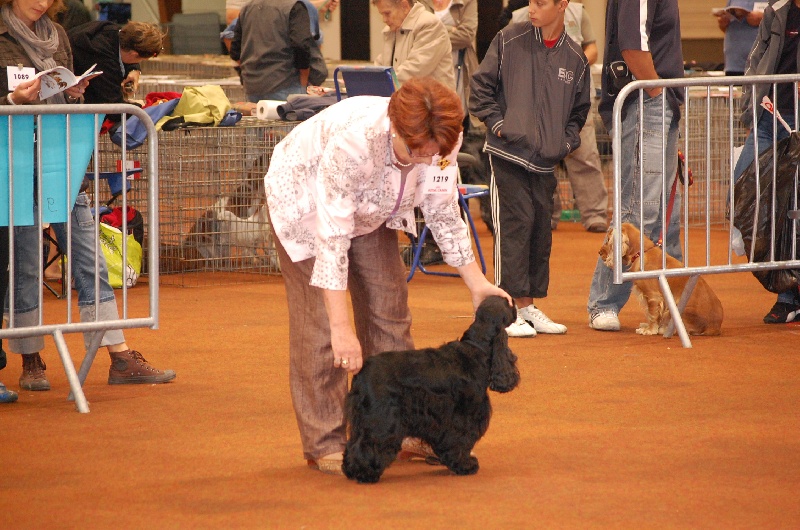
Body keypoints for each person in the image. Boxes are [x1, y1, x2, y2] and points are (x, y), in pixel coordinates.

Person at [265, 77, 511, 475]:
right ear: (395, 130)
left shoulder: (444, 137)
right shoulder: (355, 143)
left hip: (377, 205)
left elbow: (444, 210)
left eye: (433, 153)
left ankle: (406, 427)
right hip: (308, 205)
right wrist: (342, 327)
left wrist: (476, 281)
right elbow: (332, 238)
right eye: (415, 151)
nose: (424, 159)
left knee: (390, 308)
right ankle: (325, 440)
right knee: (323, 328)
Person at [0, 0, 176, 391]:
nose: (41, 2)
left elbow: (60, 96)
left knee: (89, 258)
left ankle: (119, 353)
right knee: (26, 262)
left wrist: (76, 93)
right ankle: (31, 357)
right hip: (13, 162)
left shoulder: (58, 35)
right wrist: (13, 102)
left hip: (63, 158)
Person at [470, 0, 591, 338]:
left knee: (539, 230)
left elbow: (578, 114)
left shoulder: (576, 58)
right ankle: (506, 309)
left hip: (545, 162)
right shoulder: (509, 38)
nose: (531, 8)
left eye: (540, 2)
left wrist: (563, 145)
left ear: (562, 5)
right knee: (514, 226)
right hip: (506, 154)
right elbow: (480, 89)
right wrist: (498, 125)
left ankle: (527, 306)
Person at [586, 0, 684, 331]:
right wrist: (655, 89)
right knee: (638, 209)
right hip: (648, 100)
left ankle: (673, 300)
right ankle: (605, 301)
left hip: (657, 101)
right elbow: (632, 45)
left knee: (664, 211)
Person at [510, 1, 608, 233]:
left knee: (585, 155)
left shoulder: (578, 13)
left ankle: (595, 214)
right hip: (537, 103)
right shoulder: (518, 18)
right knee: (541, 158)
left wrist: (570, 65)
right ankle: (546, 215)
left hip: (575, 98)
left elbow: (592, 48)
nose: (535, 6)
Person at [732, 0, 800, 323]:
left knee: (793, 209)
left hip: (797, 125)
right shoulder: (777, 11)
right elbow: (755, 60)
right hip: (770, 120)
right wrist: (751, 106)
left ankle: (790, 297)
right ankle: (781, 283)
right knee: (744, 181)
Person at [230, 0, 327, 102]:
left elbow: (235, 50)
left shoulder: (247, 8)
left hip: (252, 88)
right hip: (286, 84)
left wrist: (248, 75)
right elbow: (301, 46)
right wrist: (304, 78)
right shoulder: (294, 7)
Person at [68, 20, 164, 114]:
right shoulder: (102, 60)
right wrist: (140, 107)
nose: (139, 62)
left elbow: (131, 47)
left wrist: (134, 69)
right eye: (141, 60)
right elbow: (113, 108)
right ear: (133, 54)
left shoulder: (114, 31)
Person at [418, 0, 478, 126]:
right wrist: (452, 29)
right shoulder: (418, 2)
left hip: (458, 75)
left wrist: (431, 34)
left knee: (454, 123)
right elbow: (416, 34)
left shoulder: (467, 2)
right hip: (425, 78)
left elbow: (466, 36)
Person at [373, 0, 455, 90]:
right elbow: (381, 66)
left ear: (404, 6)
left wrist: (378, 84)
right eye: (382, 14)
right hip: (406, 100)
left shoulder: (429, 25)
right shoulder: (391, 30)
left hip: (432, 102)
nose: (384, 20)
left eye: (387, 13)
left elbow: (415, 71)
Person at [714, 0, 764, 76]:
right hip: (734, 64)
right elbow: (726, 29)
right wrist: (723, 23)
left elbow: (783, 21)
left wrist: (763, 18)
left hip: (759, 63)